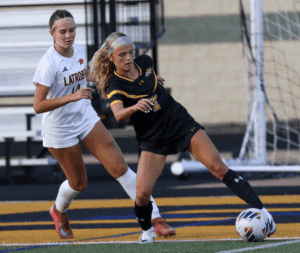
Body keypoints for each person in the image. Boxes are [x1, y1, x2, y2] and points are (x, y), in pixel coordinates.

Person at [89, 32, 277, 244]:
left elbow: (148, 79)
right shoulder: (115, 84)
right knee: (142, 194)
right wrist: (135, 106)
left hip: (179, 122)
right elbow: (118, 114)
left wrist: (154, 80)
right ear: (111, 58)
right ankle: (147, 232)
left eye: (131, 52)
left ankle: (265, 213)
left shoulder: (145, 62)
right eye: (122, 55)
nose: (128, 58)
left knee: (218, 167)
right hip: (153, 137)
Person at [32, 10, 175, 240]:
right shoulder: (48, 64)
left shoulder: (78, 50)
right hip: (60, 129)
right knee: (78, 183)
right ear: (52, 33)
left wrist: (137, 82)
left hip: (85, 117)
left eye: (71, 30)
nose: (68, 35)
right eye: (62, 32)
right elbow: (38, 105)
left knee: (120, 168)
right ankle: (58, 210)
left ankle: (155, 218)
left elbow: (87, 73)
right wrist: (72, 96)